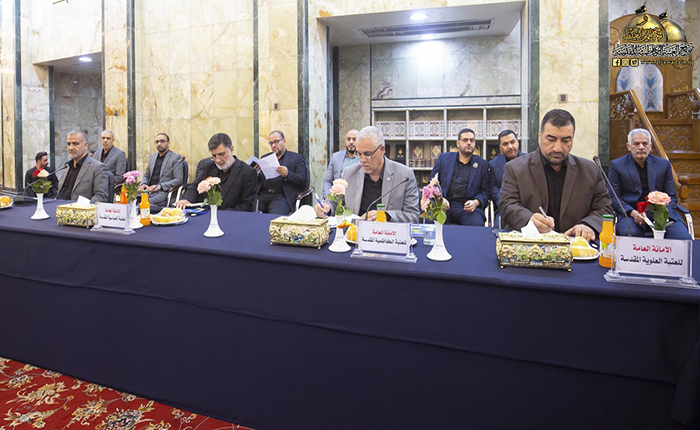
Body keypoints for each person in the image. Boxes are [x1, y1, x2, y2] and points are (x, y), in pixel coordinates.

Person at [500, 109, 612, 242]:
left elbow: (604, 209)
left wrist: (587, 225)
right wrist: (529, 219)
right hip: (530, 245)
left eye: (565, 140)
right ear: (539, 136)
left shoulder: (590, 171)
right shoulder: (515, 168)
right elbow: (507, 205)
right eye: (551, 139)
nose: (558, 148)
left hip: (576, 245)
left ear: (572, 139)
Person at [315, 126, 419, 223]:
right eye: (359, 154)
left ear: (382, 150)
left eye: (367, 154)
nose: (362, 160)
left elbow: (413, 216)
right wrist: (326, 208)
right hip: (355, 233)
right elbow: (334, 202)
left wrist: (385, 215)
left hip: (388, 233)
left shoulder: (404, 176)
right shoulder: (349, 173)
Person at [608, 128, 691, 240]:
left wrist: (662, 217)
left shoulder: (663, 165)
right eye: (636, 144)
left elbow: (671, 196)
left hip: (661, 214)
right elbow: (614, 197)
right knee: (630, 235)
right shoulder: (617, 166)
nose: (641, 147)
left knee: (683, 238)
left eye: (645, 143)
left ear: (650, 146)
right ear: (628, 146)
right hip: (632, 215)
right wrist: (632, 213)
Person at [176, 133, 257, 211]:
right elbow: (194, 186)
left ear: (231, 149)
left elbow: (246, 206)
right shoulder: (209, 167)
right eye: (214, 156)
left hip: (230, 215)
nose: (218, 160)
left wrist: (219, 214)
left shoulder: (247, 172)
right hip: (205, 213)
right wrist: (186, 200)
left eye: (221, 154)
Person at [429, 128, 490, 226]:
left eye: (472, 140)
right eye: (465, 140)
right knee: (431, 223)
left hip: (468, 208)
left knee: (476, 226)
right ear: (458, 143)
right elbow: (432, 182)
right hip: (444, 204)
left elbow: (486, 192)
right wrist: (440, 198)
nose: (469, 143)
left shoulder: (482, 164)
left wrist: (475, 202)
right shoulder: (444, 159)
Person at [256, 130, 308, 214]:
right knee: (249, 213)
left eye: (276, 142)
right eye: (271, 143)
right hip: (262, 195)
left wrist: (288, 174)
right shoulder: (265, 158)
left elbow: (302, 180)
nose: (273, 145)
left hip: (281, 196)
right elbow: (259, 180)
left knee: (274, 217)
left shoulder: (296, 158)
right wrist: (256, 173)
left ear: (284, 141)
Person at [56, 130, 110, 202]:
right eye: (68, 144)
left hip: (79, 208)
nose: (71, 148)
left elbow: (101, 197)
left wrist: (80, 205)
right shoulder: (66, 166)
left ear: (85, 146)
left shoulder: (98, 167)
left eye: (75, 144)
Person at [139, 133, 185, 208]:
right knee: (132, 199)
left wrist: (159, 187)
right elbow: (147, 175)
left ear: (168, 143)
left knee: (144, 202)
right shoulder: (152, 157)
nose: (159, 144)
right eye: (157, 142)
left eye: (162, 141)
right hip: (149, 190)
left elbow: (178, 180)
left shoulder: (175, 158)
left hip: (164, 191)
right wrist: (143, 184)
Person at [489, 130, 525, 219]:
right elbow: (494, 189)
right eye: (505, 144)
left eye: (512, 142)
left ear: (518, 142)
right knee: (498, 226)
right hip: (504, 208)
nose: (510, 146)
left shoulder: (529, 161)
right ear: (500, 147)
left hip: (526, 208)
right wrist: (505, 203)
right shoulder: (493, 165)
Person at [323, 129, 359, 197]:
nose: (351, 142)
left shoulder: (363, 159)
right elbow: (327, 181)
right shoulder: (336, 157)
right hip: (337, 198)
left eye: (354, 139)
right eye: (348, 139)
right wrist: (328, 197)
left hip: (357, 197)